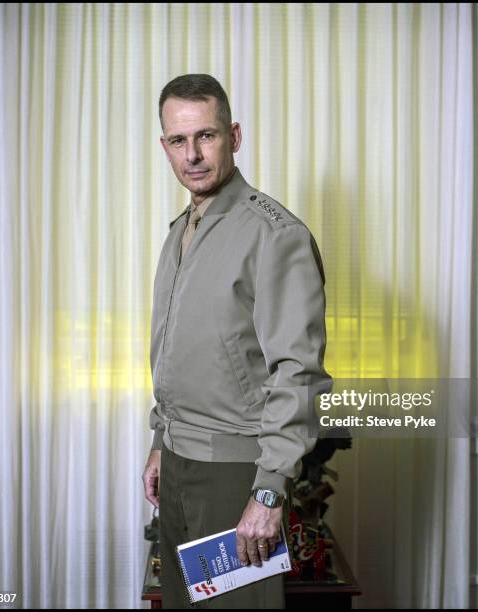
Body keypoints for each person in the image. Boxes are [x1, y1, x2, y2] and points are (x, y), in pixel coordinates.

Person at [142, 73, 331, 609]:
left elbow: (299, 371)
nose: (193, 154)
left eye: (207, 136)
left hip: (234, 473)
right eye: (178, 140)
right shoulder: (182, 229)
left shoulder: (275, 235)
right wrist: (161, 440)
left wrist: (269, 490)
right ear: (165, 146)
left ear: (235, 136)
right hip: (178, 464)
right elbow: (179, 351)